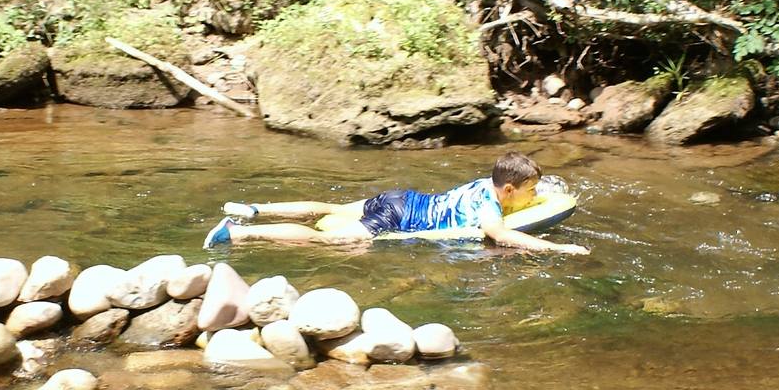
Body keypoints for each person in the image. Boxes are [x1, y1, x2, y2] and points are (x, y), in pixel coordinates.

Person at [204, 150, 589, 254]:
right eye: (531, 191)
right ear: (508, 190)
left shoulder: (484, 184)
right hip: (399, 217)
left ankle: (254, 209)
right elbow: (502, 236)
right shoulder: (491, 207)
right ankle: (238, 235)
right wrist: (557, 246)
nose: (535, 197)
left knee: (329, 208)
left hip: (401, 196)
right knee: (325, 240)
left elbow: (519, 195)